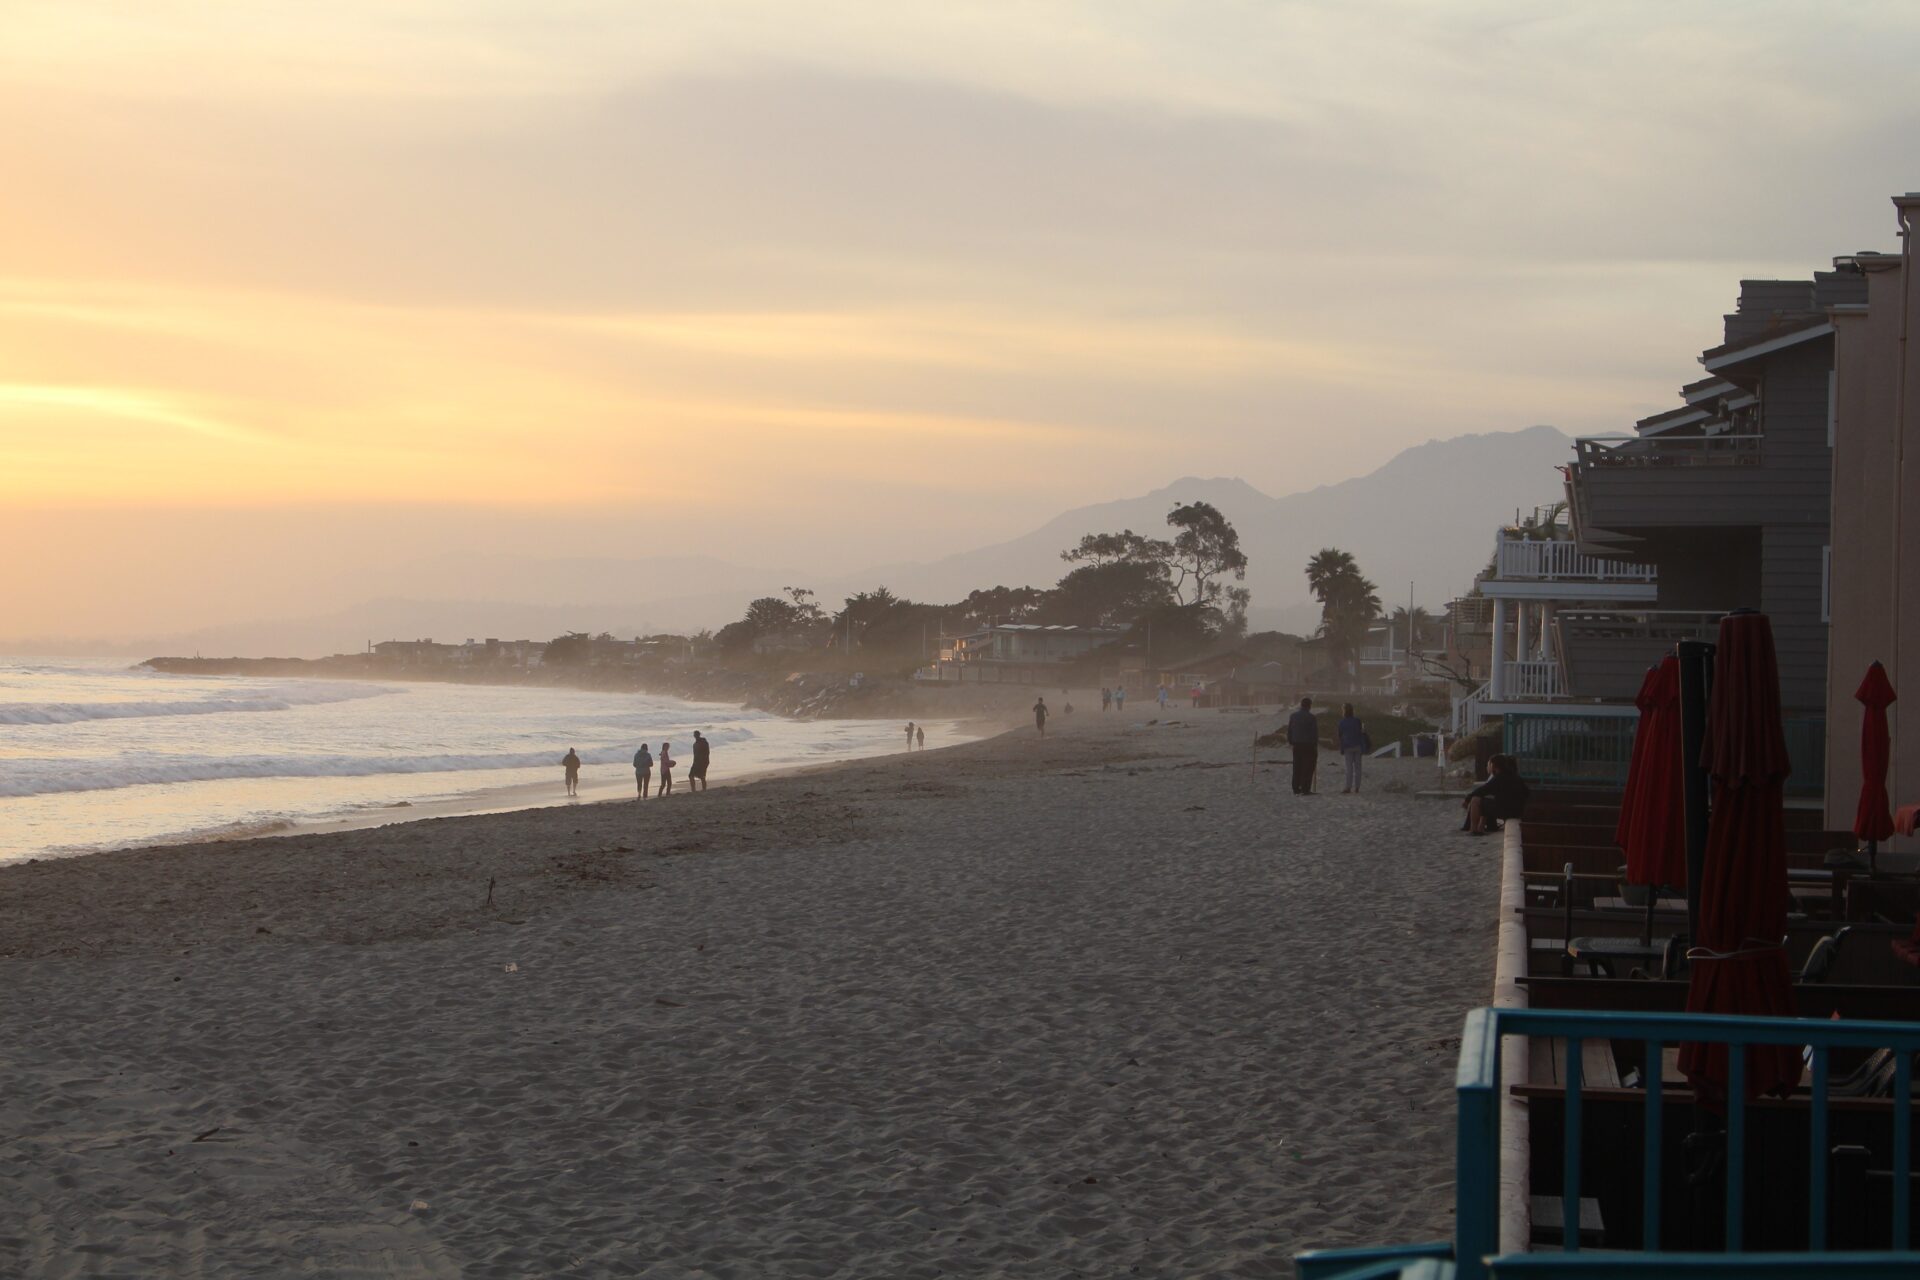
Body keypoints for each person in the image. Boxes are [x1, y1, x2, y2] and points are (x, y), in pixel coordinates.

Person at [1463, 753, 1531, 835]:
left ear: (1494, 766)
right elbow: (1527, 793)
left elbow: (1482, 790)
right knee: (1486, 801)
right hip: (1518, 811)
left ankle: (1473, 830)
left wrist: (1467, 799)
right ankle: (1480, 828)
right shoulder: (1516, 777)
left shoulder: (1499, 777)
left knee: (1475, 800)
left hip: (1505, 810)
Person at [1286, 697, 1318, 795]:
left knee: (1297, 767)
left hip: (1296, 744)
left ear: (1301, 705)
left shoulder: (1293, 716)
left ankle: (1296, 788)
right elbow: (1314, 733)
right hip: (1308, 745)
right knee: (1308, 767)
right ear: (1309, 706)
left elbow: (1290, 730)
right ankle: (1305, 788)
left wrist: (1291, 741)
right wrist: (1315, 744)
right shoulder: (1311, 717)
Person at [1336, 703, 1367, 795]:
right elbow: (1361, 732)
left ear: (1344, 711)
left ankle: (1348, 787)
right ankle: (1357, 787)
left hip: (1347, 746)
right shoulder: (1357, 720)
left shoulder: (1342, 722)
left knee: (1349, 768)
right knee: (1358, 768)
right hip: (1358, 745)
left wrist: (1341, 747)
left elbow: (1340, 735)